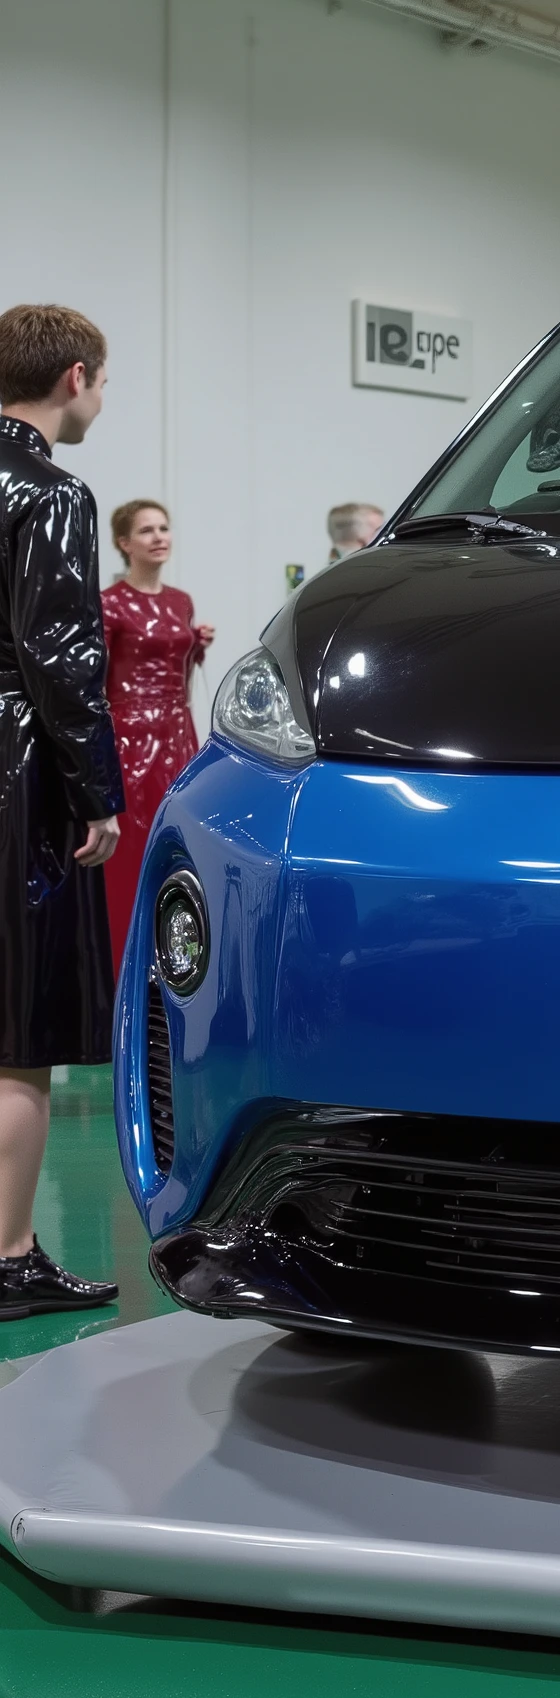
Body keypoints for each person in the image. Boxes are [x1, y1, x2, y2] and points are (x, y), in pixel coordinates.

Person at [0, 304, 123, 1320]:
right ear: (74, 377)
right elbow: (62, 660)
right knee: (17, 1033)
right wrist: (97, 794)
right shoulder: (51, 493)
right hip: (15, 774)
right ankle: (8, 1255)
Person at [100, 502, 213, 967]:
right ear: (125, 543)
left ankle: (174, 954)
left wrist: (196, 646)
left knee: (179, 840)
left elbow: (176, 668)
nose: (159, 537)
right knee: (131, 844)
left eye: (163, 528)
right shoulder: (108, 603)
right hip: (129, 737)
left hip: (177, 730)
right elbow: (96, 678)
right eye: (146, 530)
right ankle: (122, 959)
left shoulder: (180, 600)